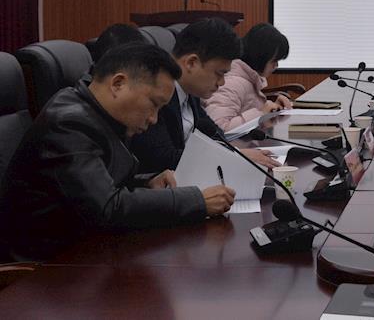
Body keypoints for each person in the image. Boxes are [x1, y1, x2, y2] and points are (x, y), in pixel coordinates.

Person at [0, 42, 234, 262]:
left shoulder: (98, 113)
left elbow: (101, 185)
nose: (154, 119)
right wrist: (196, 200)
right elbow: (108, 208)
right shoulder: (69, 123)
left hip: (87, 248)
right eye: (154, 104)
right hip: (47, 268)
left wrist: (147, 182)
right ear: (118, 84)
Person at [129, 18, 278, 175]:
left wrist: (237, 153)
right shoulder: (156, 95)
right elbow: (163, 159)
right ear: (191, 63)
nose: (222, 82)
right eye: (219, 73)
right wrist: (233, 157)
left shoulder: (190, 92)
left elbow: (214, 134)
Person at [205, 23, 292, 131]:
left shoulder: (249, 80)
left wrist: (272, 112)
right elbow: (218, 130)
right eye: (274, 61)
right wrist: (261, 115)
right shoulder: (232, 84)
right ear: (260, 56)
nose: (276, 66)